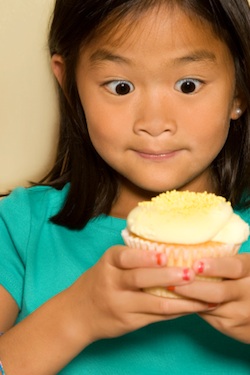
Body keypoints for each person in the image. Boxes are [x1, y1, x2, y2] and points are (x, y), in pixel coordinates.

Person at [0, 0, 249, 373]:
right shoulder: (20, 227)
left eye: (188, 85)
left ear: (239, 91)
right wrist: (74, 316)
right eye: (120, 87)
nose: (154, 122)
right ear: (71, 86)